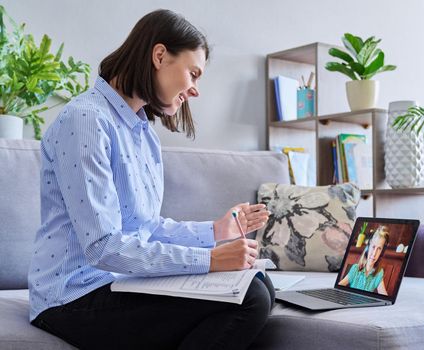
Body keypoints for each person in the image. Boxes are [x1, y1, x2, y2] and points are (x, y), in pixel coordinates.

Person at [28, 9, 273, 350]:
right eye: (193, 73)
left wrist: (217, 232)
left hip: (120, 283)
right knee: (251, 298)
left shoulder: (144, 135)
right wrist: (211, 260)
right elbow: (103, 247)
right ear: (159, 56)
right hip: (73, 297)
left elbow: (144, 228)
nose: (196, 89)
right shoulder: (85, 120)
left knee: (257, 285)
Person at [338, 225, 389, 295]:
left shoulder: (379, 273)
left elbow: (384, 294)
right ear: (367, 248)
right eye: (373, 247)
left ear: (381, 253)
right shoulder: (355, 269)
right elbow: (339, 286)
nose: (374, 254)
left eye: (379, 249)